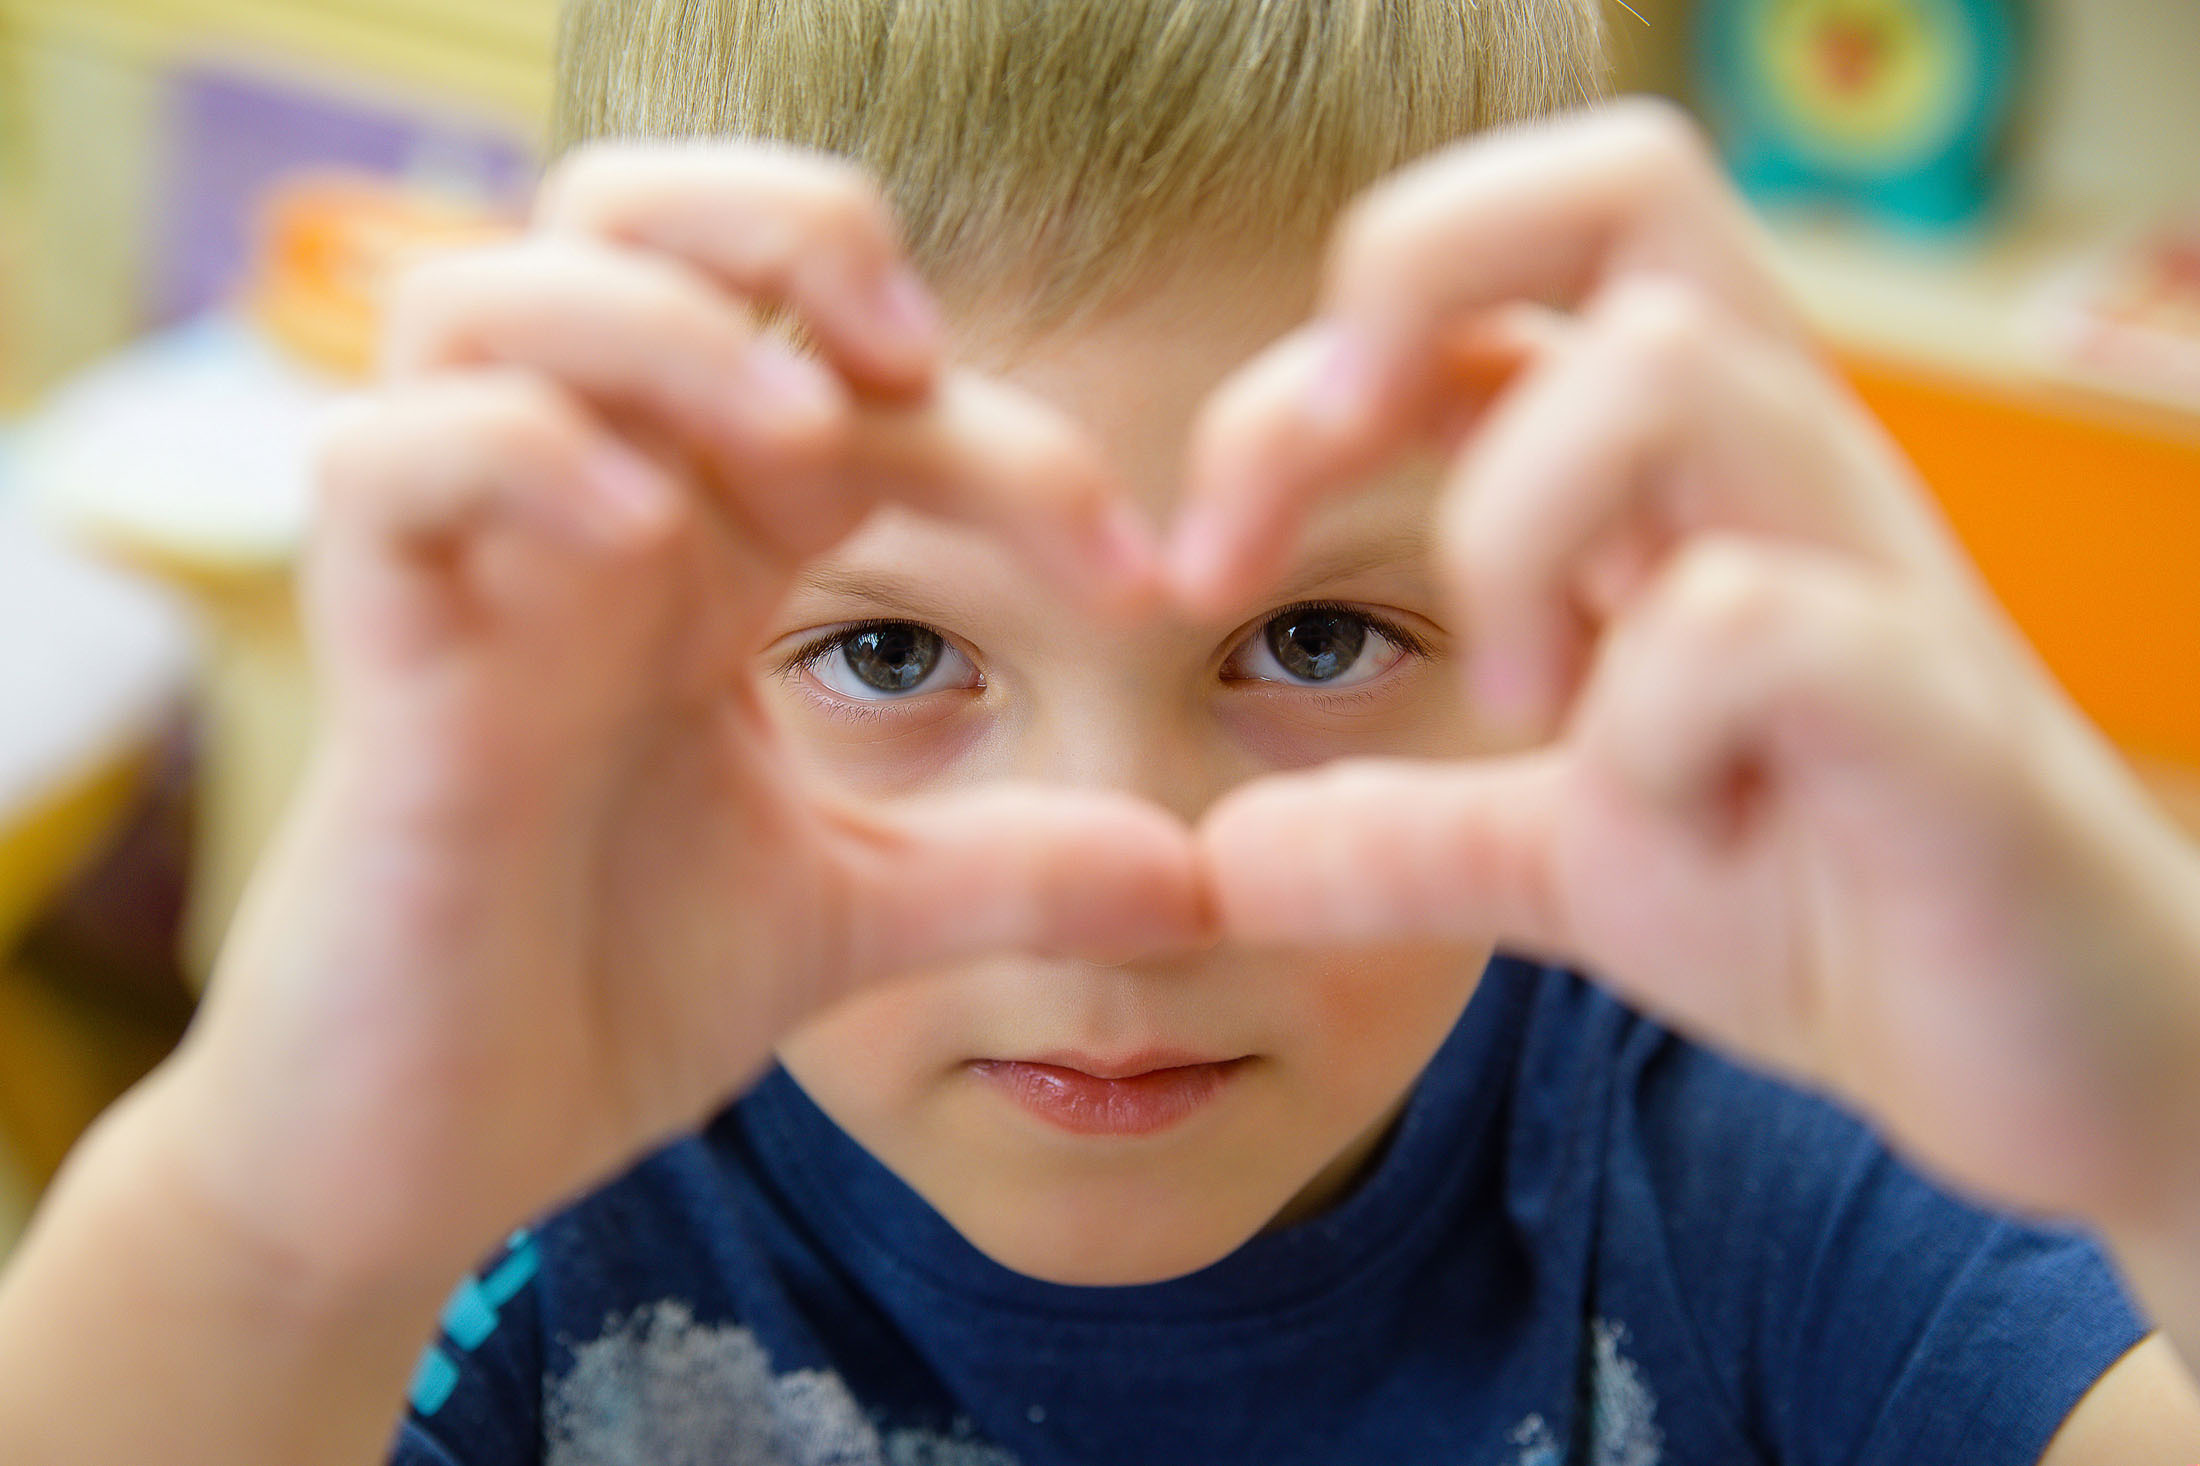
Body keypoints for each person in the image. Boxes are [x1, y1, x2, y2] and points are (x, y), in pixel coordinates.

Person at [6, 1, 2200, 1461]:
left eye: (1317, 637)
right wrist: (269, 1230)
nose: (1117, 878)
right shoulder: (516, 1182)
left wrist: (2158, 1088)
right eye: (891, 656)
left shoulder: (1759, 1149)